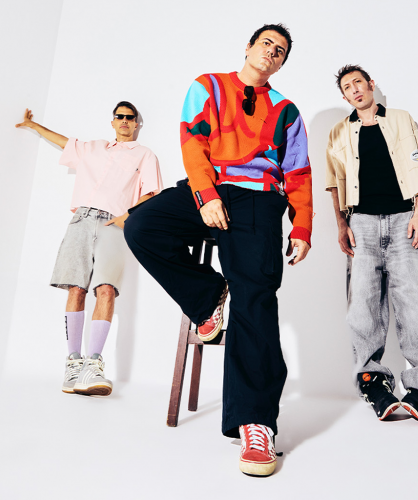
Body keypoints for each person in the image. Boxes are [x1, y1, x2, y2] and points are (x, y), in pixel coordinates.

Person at [124, 24, 312, 476]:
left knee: (255, 297)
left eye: (280, 51)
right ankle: (209, 295)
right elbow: (193, 143)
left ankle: (255, 422)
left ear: (282, 64)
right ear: (248, 47)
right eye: (266, 44)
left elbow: (299, 172)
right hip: (209, 185)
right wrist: (206, 196)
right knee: (142, 225)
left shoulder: (287, 111)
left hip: (258, 199)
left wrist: (302, 225)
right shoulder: (207, 85)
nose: (272, 52)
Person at [326, 65, 418, 423]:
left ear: (371, 85)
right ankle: (374, 385)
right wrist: (341, 225)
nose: (354, 90)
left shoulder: (400, 119)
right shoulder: (338, 131)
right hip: (361, 224)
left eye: (358, 83)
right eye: (347, 87)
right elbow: (335, 183)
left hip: (403, 219)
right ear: (344, 96)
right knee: (362, 308)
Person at [15, 102, 162, 396]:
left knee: (106, 289)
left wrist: (127, 216)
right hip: (81, 219)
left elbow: (151, 192)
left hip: (114, 224)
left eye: (129, 117)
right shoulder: (93, 148)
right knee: (76, 288)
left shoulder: (145, 154)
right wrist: (33, 126)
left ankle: (93, 364)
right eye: (119, 116)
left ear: (136, 124)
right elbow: (64, 142)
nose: (124, 120)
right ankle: (73, 364)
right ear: (113, 122)